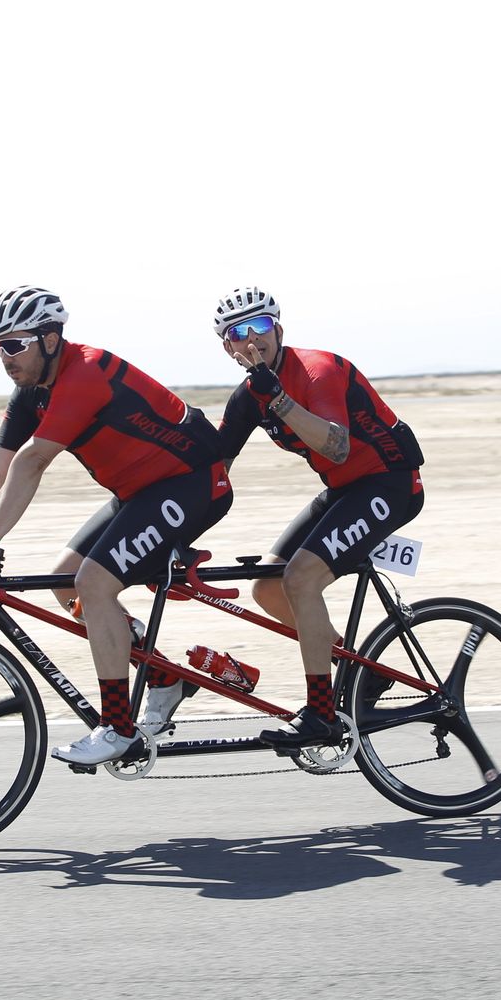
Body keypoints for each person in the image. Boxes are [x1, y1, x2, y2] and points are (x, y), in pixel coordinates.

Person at [0, 286, 233, 766]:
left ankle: (118, 729)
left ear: (50, 340)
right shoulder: (32, 391)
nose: (4, 357)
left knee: (93, 584)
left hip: (195, 484)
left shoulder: (85, 373)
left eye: (14, 345)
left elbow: (32, 462)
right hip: (142, 493)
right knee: (66, 578)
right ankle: (163, 676)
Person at [141, 286, 425, 749]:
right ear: (227, 346)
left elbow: (337, 445)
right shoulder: (246, 396)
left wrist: (280, 402)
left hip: (390, 483)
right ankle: (358, 670)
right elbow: (213, 475)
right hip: (343, 489)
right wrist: (171, 536)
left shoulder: (318, 370)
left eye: (260, 327)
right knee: (269, 587)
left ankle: (321, 712)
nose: (252, 339)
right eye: (238, 332)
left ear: (278, 329)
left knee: (300, 579)